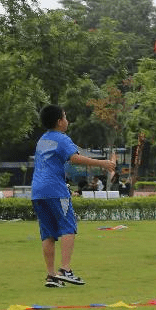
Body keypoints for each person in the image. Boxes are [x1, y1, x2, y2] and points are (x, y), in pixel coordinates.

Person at [32, 104, 116, 288]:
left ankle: (51, 276)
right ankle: (65, 270)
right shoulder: (62, 139)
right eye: (65, 116)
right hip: (55, 190)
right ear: (59, 121)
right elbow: (75, 158)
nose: (67, 120)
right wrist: (102, 164)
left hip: (37, 191)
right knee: (68, 227)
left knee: (48, 233)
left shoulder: (42, 140)